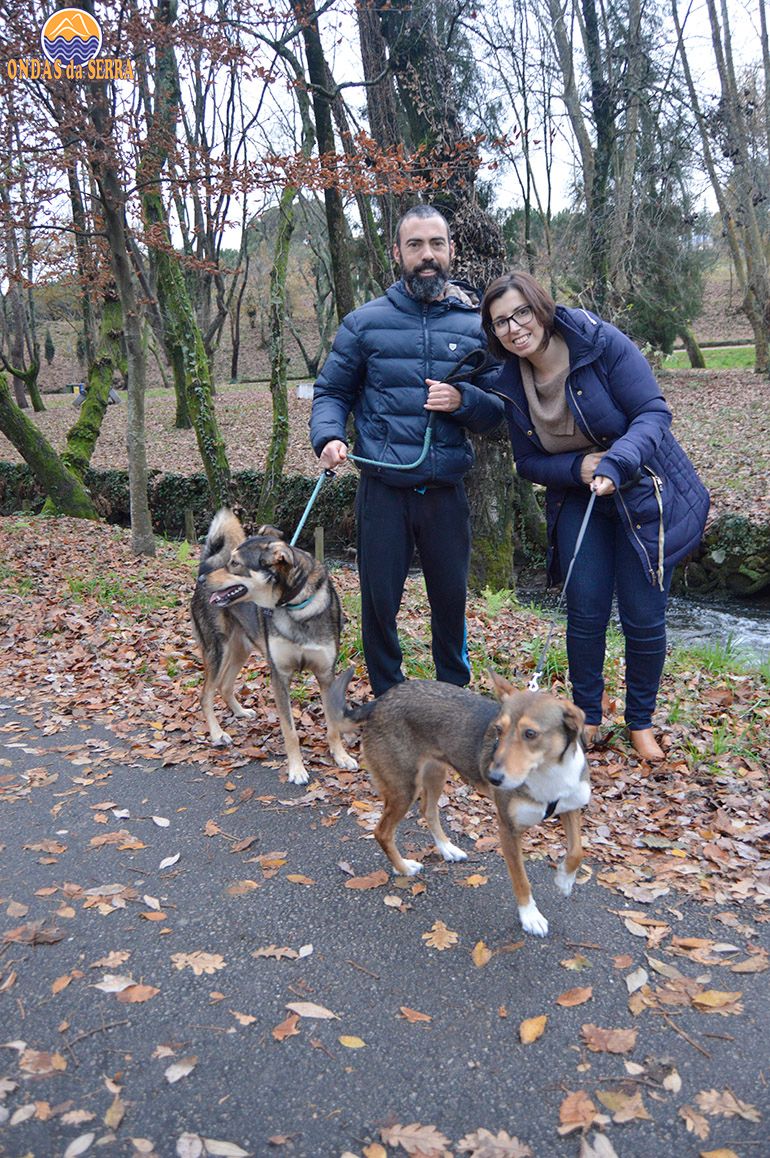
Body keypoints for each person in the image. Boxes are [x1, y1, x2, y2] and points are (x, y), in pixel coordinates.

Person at [481, 271, 709, 761]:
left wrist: (616, 461)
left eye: (522, 313)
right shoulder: (509, 382)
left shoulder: (599, 342)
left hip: (643, 490)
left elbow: (653, 413)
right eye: (501, 322)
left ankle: (641, 722)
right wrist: (576, 467)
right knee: (584, 613)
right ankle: (588, 717)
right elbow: (527, 462)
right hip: (576, 498)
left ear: (541, 307)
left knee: (643, 616)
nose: (515, 327)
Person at [310, 205, 504, 697]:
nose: (427, 256)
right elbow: (331, 392)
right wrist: (329, 437)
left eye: (436, 244)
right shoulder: (364, 323)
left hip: (445, 492)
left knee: (449, 602)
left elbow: (502, 410)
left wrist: (464, 401)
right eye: (415, 245)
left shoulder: (473, 324)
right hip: (382, 490)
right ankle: (388, 700)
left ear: (451, 251)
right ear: (397, 253)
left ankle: (454, 698)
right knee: (379, 604)